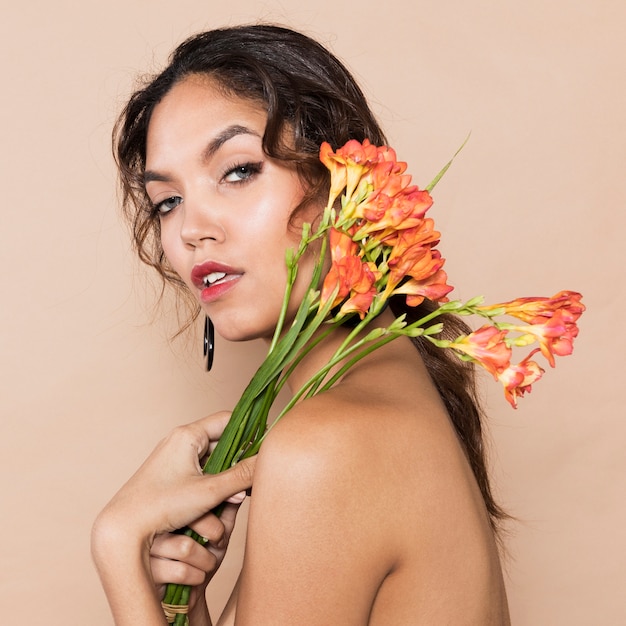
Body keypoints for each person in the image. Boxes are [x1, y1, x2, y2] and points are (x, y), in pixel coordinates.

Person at [91, 24, 511, 625]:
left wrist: (116, 547)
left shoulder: (328, 443)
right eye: (168, 200)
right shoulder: (378, 395)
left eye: (237, 171)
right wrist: (185, 602)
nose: (190, 230)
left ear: (341, 182)